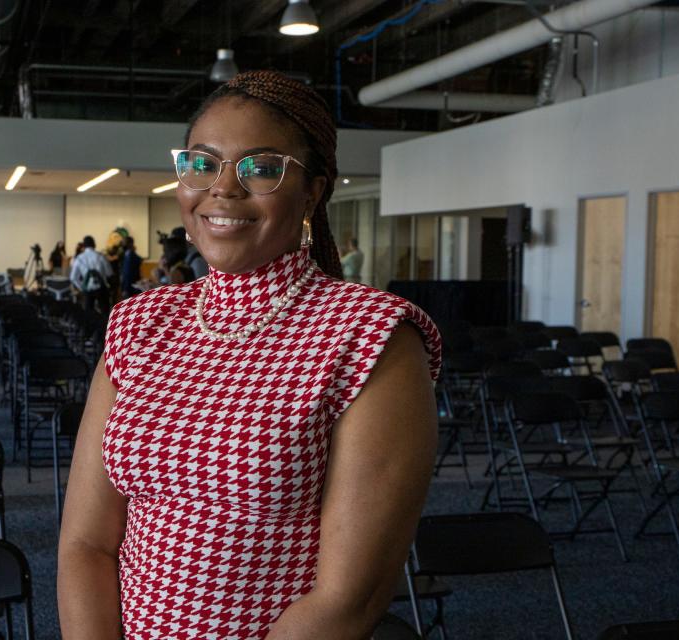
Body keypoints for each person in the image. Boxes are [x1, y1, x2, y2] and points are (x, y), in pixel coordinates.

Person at [58, 70, 442, 639]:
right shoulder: (139, 323)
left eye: (261, 168)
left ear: (312, 191)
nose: (223, 189)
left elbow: (346, 600)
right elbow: (86, 545)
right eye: (201, 163)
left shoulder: (371, 336)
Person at [70, 235, 113, 313]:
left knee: (88, 315)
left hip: (87, 290)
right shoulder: (101, 256)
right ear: (94, 244)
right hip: (101, 289)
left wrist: (82, 287)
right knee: (105, 314)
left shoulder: (79, 258)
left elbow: (73, 277)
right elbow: (109, 273)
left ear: (84, 246)